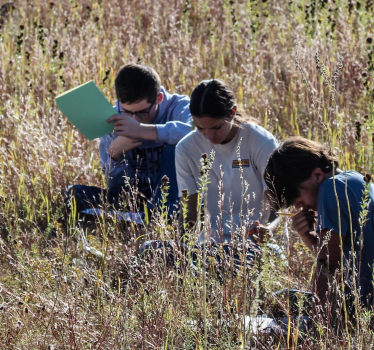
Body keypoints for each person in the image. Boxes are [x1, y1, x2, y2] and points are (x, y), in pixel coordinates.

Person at [264, 138, 374, 322]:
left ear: (317, 175)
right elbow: (338, 263)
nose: (298, 205)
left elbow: (327, 266)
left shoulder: (332, 189)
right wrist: (309, 237)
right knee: (284, 298)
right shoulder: (352, 179)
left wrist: (319, 327)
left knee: (273, 321)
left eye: (297, 195)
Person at [65, 64, 193, 222]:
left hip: (177, 196)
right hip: (138, 197)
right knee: (74, 195)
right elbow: (118, 189)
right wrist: (115, 154)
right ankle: (135, 218)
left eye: (142, 112)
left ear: (158, 98)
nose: (134, 119)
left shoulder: (179, 106)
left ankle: (155, 217)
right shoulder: (113, 118)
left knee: (177, 147)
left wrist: (142, 130)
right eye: (127, 112)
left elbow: (198, 133)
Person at [176, 80, 281, 245]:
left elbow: (279, 208)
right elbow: (188, 211)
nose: (209, 136)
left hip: (256, 244)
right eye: (200, 128)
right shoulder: (185, 148)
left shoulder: (261, 142)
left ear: (233, 112)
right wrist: (183, 249)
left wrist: (269, 230)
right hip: (210, 246)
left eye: (216, 128)